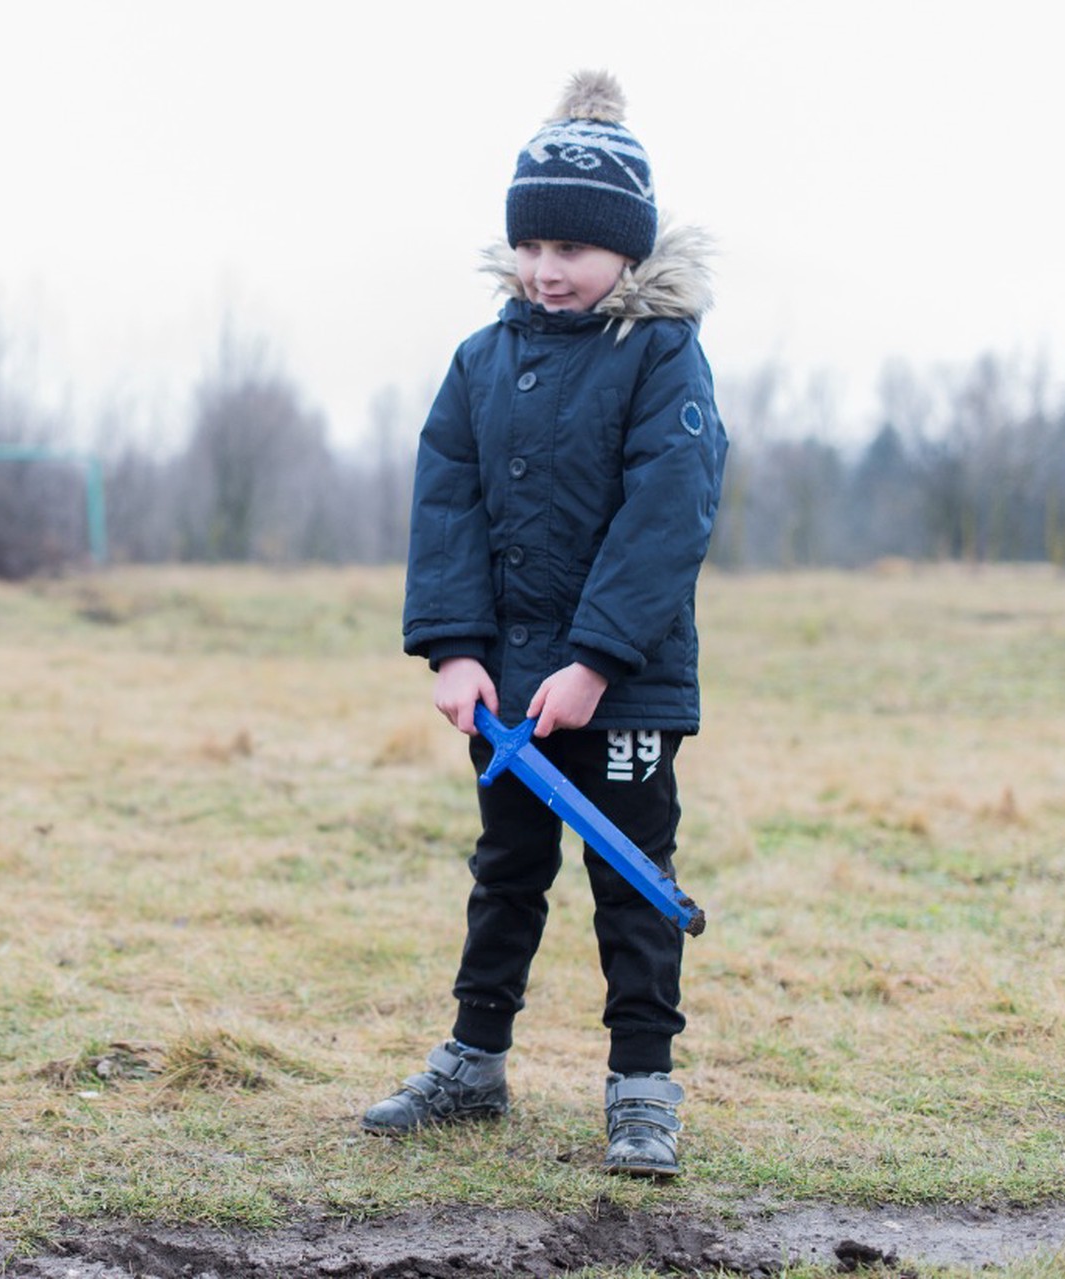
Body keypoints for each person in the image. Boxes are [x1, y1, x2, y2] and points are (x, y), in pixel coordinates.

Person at [362, 70, 728, 1178]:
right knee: (506, 870)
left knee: (632, 879)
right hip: (508, 693)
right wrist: (454, 646)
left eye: (573, 248)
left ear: (627, 251)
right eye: (532, 246)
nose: (546, 269)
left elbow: (672, 509)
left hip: (625, 685)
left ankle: (642, 1090)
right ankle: (474, 1061)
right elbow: (448, 506)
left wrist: (598, 661)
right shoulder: (481, 363)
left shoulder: (662, 357)